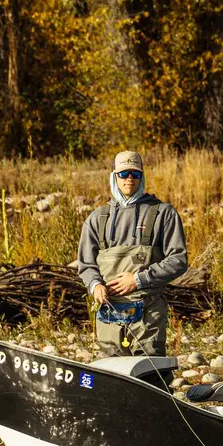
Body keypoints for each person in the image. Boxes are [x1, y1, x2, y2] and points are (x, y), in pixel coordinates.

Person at [75, 151, 189, 357]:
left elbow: (178, 260)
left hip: (148, 315)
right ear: (114, 176)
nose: (129, 179)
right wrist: (95, 286)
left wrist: (138, 280)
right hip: (108, 315)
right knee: (111, 378)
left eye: (135, 174)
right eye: (124, 173)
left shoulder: (164, 213)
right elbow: (86, 265)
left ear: (142, 177)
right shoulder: (95, 218)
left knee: (150, 375)